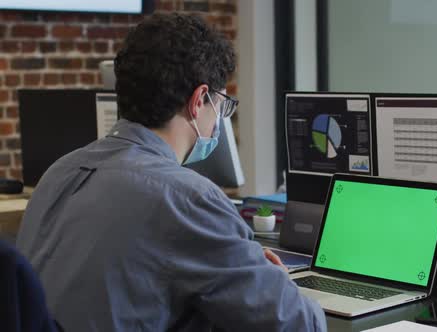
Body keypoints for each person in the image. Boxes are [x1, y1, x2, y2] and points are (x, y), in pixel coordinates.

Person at [16, 14, 326, 332]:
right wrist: (275, 281)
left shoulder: (59, 172)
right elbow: (297, 324)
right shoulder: (186, 198)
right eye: (220, 104)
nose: (219, 117)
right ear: (197, 101)